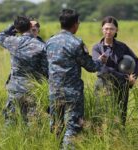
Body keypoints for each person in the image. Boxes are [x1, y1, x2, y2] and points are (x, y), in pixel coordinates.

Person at [45, 9, 107, 149]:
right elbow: (90, 66)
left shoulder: (50, 42)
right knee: (73, 127)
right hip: (72, 92)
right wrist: (100, 61)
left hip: (54, 91)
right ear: (74, 24)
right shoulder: (76, 43)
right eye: (78, 22)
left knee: (56, 125)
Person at [0, 16, 48, 125]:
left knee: (10, 119)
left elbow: (0, 37)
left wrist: (14, 27)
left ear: (18, 29)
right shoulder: (41, 45)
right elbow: (46, 70)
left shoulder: (13, 41)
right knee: (32, 121)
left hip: (15, 88)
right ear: (30, 27)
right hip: (33, 88)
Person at [92, 16, 138, 126]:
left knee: (120, 115)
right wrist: (123, 77)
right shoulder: (97, 48)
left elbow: (136, 61)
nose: (108, 31)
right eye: (106, 28)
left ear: (116, 30)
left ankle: (120, 138)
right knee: (102, 115)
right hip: (103, 86)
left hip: (122, 86)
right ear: (102, 29)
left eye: (111, 29)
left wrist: (133, 77)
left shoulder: (122, 47)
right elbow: (102, 69)